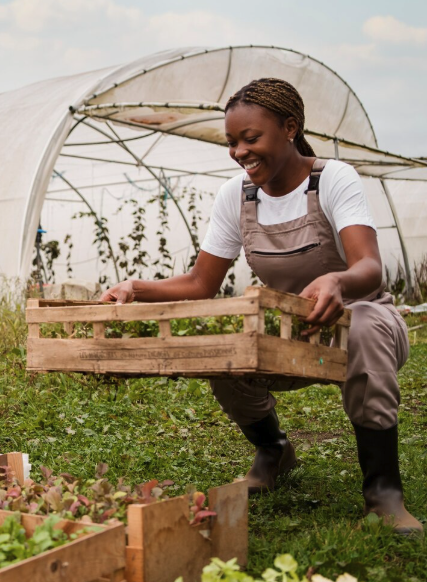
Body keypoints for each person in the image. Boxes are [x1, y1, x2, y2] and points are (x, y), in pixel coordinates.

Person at [101, 78, 421, 535]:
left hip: (364, 323)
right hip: (293, 330)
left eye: (251, 138)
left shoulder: (332, 179)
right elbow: (199, 283)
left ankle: (383, 493)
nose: (239, 151)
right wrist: (134, 287)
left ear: (290, 128)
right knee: (221, 340)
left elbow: (370, 268)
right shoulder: (237, 195)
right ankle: (273, 451)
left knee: (367, 322)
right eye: (232, 142)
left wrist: (336, 279)